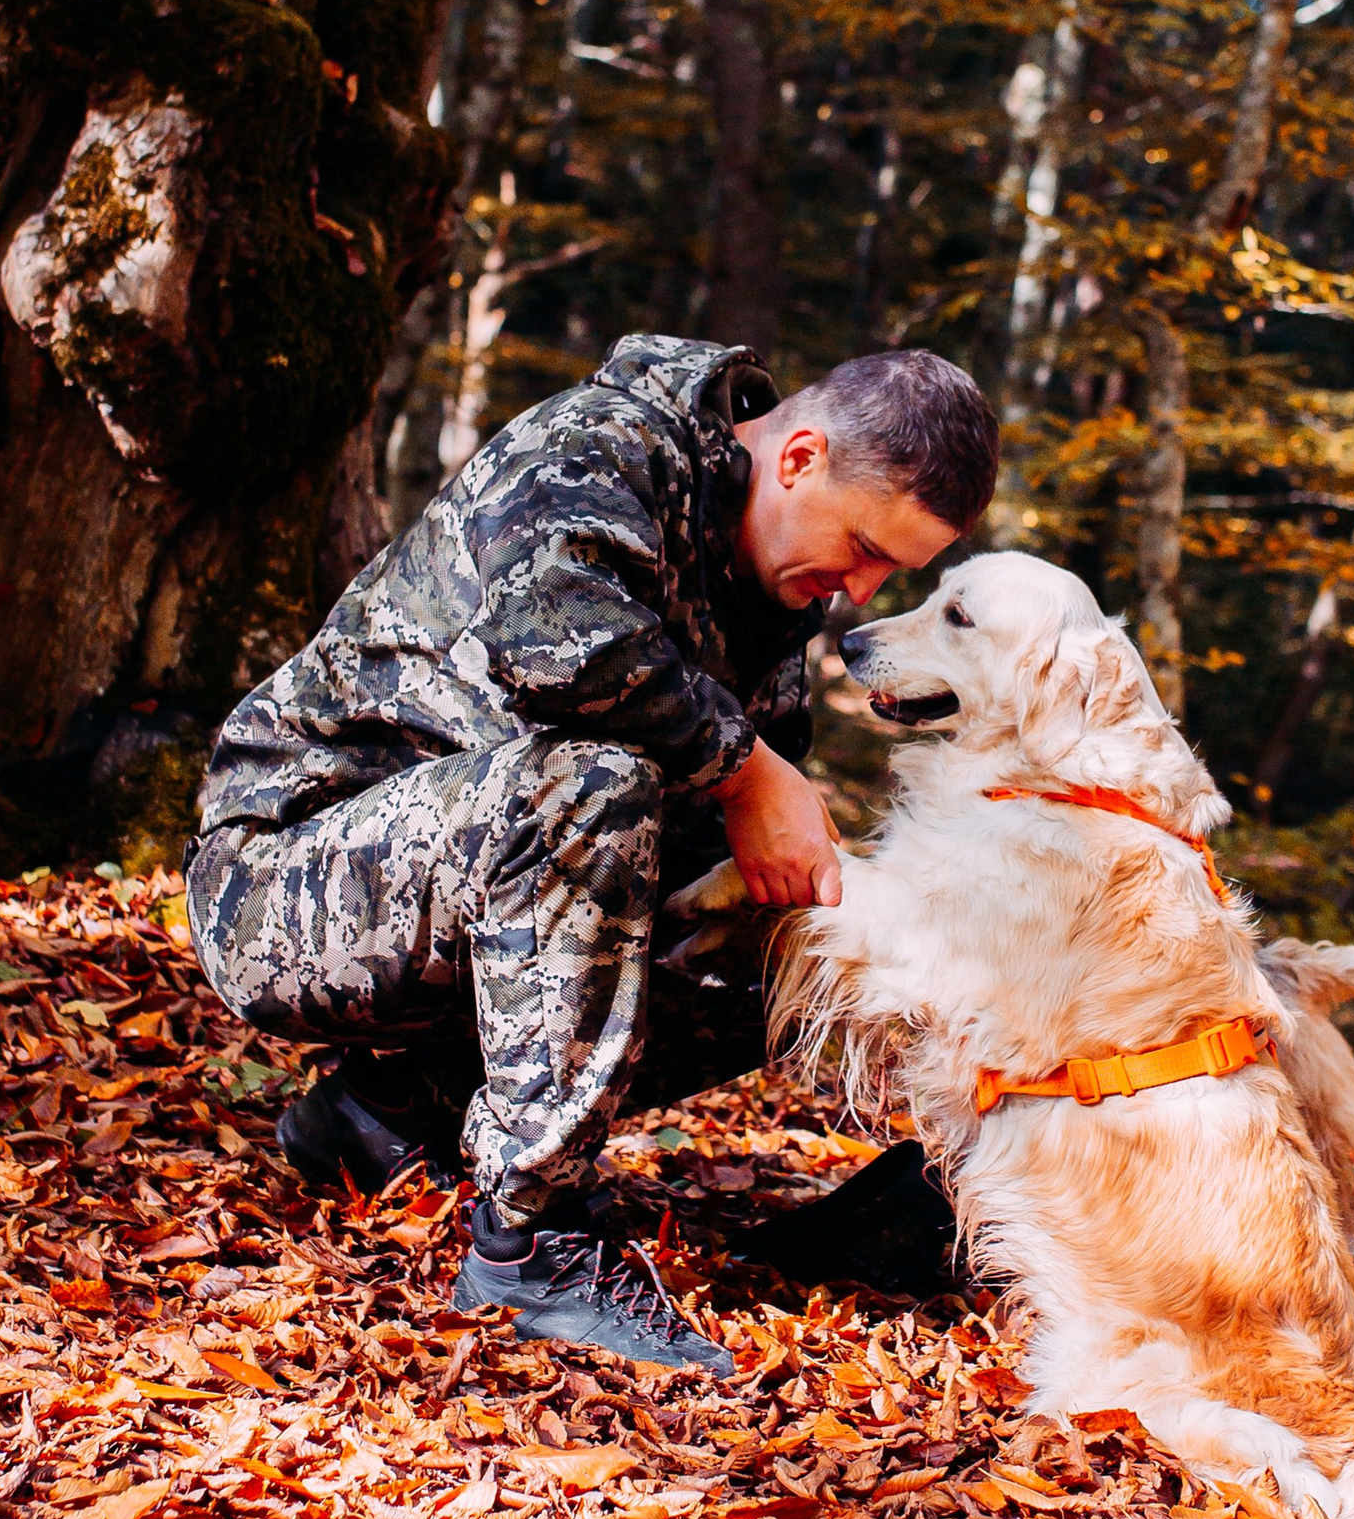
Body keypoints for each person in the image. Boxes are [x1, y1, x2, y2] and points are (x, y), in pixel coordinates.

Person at [186, 338, 998, 1372]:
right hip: (282, 885)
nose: (862, 591)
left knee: (783, 913)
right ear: (800, 457)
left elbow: (706, 857)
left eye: (892, 570)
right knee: (589, 790)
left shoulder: (772, 593)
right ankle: (530, 1247)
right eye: (865, 547)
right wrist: (748, 772)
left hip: (455, 908)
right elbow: (554, 642)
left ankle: (394, 1111)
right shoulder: (601, 446)